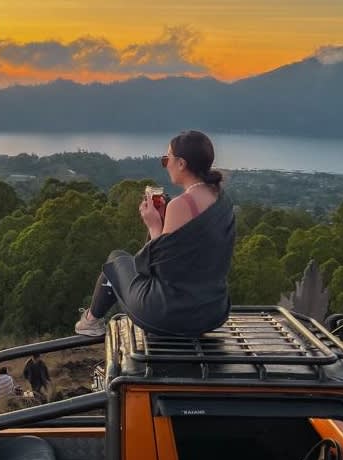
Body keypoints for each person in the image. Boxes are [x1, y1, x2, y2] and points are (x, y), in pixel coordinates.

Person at [75, 130, 236, 337]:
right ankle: (90, 321)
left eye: (166, 159)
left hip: (170, 315)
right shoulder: (220, 197)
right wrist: (163, 222)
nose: (165, 164)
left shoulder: (181, 205)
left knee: (115, 261)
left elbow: (160, 269)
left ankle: (90, 322)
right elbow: (192, 259)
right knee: (123, 261)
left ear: (181, 163)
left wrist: (153, 225)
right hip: (213, 312)